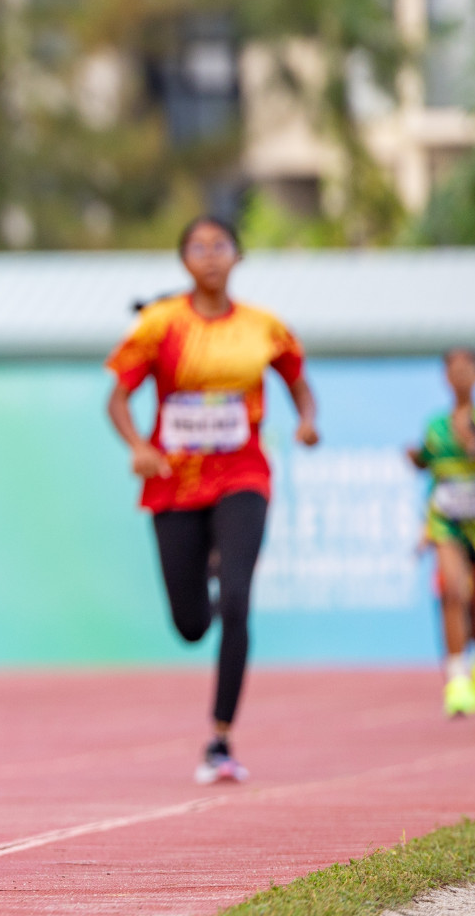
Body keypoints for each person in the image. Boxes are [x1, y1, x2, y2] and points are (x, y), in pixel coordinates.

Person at [106, 216, 318, 785]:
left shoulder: (264, 327)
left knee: (239, 601)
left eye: (220, 246)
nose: (210, 256)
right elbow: (118, 399)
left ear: (237, 257)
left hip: (242, 474)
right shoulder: (159, 325)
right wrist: (136, 447)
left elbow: (297, 380)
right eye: (197, 248)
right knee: (193, 625)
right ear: (183, 261)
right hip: (173, 480)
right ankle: (210, 558)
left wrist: (307, 422)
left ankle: (220, 737)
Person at [408, 347, 475, 717]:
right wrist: (426, 530)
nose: (460, 376)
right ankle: (457, 679)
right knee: (454, 590)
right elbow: (431, 471)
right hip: (448, 522)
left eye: (467, 369)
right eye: (453, 370)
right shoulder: (435, 425)